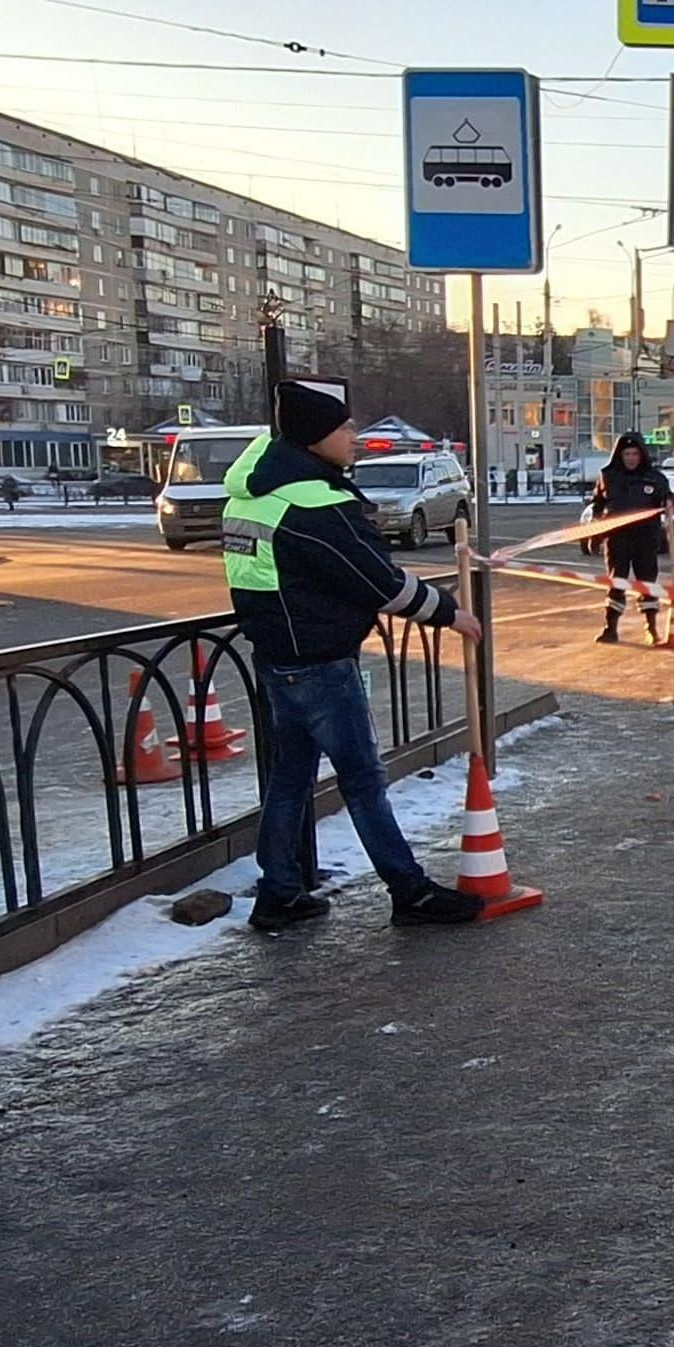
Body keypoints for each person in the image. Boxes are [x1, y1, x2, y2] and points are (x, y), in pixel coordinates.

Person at [222, 381, 487, 933]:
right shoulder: (315, 504)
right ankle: (409, 892)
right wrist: (449, 612)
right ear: (316, 438)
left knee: (290, 779)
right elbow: (378, 582)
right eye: (344, 428)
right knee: (363, 781)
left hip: (277, 657)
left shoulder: (253, 493)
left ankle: (279, 892)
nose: (354, 437)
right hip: (320, 662)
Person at [587, 432, 674, 645]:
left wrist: (670, 504)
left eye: (635, 453)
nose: (631, 458)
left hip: (645, 539)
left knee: (647, 583)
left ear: (641, 454)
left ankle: (651, 628)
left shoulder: (654, 478)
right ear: (620, 455)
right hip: (617, 539)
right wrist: (594, 535)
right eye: (627, 454)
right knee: (617, 582)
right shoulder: (608, 476)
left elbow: (669, 502)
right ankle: (611, 628)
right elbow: (598, 506)